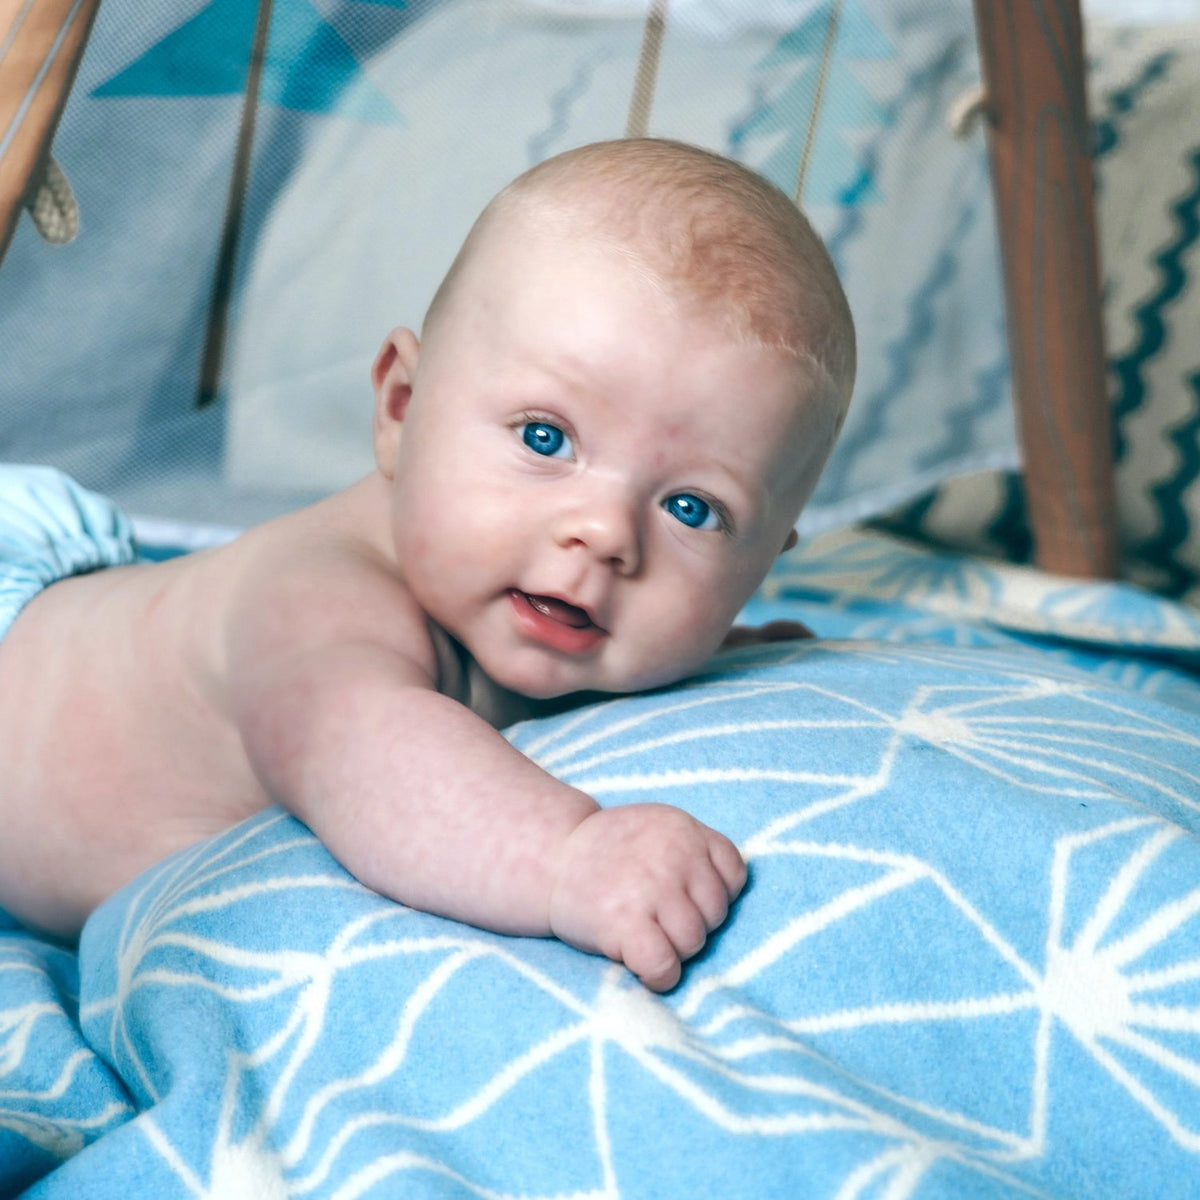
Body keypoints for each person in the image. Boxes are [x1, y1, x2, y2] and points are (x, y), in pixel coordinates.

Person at [0, 138, 855, 991]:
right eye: (544, 439)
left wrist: (724, 650)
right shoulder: (312, 603)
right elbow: (373, 761)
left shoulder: (547, 598)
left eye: (692, 510)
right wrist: (569, 857)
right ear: (402, 411)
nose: (603, 533)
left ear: (762, 561)